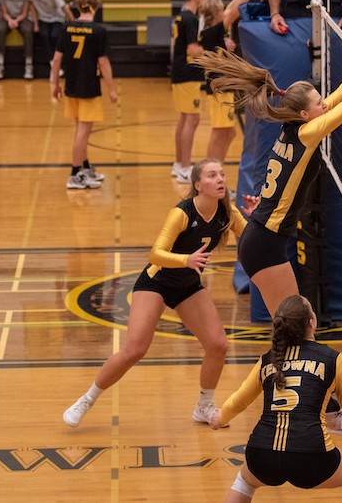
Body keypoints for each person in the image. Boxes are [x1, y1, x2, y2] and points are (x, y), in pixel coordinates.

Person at [196, 20, 342, 317]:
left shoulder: (296, 126)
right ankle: (275, 364)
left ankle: (280, 364)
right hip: (264, 243)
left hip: (263, 237)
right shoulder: (308, 133)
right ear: (304, 113)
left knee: (296, 321)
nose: (324, 104)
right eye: (318, 103)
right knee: (296, 322)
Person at [63, 159, 249, 426]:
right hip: (157, 282)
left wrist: (255, 215)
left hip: (187, 286)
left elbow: (252, 237)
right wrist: (186, 260)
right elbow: (155, 254)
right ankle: (87, 399)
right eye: (212, 175)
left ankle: (204, 406)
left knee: (218, 345)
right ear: (197, 185)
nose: (220, 179)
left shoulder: (226, 211)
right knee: (135, 350)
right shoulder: (182, 213)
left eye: (222, 174)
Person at [209, 295, 342, 502]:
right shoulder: (333, 359)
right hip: (312, 457)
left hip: (262, 453)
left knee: (245, 481)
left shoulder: (268, 359)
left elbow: (239, 400)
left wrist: (220, 419)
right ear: (312, 321)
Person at [49, 0, 117, 190]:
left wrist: (54, 84)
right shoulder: (98, 30)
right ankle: (75, 173)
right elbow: (103, 63)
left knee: (80, 130)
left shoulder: (66, 27)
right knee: (83, 133)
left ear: (78, 7)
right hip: (88, 87)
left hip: (71, 86)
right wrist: (111, 89)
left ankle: (85, 167)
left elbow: (56, 59)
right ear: (95, 7)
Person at [198, 0, 259, 162]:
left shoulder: (212, 31)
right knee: (219, 132)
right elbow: (233, 11)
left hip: (223, 88)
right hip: (218, 89)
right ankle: (208, 171)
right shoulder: (211, 32)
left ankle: (217, 171)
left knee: (230, 133)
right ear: (214, 13)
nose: (222, 11)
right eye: (219, 10)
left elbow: (231, 8)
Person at [171, 0, 209, 184]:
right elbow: (193, 51)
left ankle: (179, 163)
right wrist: (217, 49)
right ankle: (185, 167)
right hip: (187, 73)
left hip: (179, 72)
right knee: (192, 119)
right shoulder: (191, 19)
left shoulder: (181, 16)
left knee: (184, 119)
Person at [27, 0, 73, 73]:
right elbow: (32, 7)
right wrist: (35, 24)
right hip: (43, 18)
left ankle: (58, 61)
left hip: (57, 17)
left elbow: (64, 6)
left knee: (54, 36)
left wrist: (73, 21)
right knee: (44, 35)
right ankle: (53, 63)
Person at [0, 0, 34, 80]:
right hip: (7, 17)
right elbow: (3, 11)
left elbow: (26, 11)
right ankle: (0, 64)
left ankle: (29, 64)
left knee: (27, 30)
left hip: (21, 17)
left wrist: (17, 20)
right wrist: (10, 20)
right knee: (0, 29)